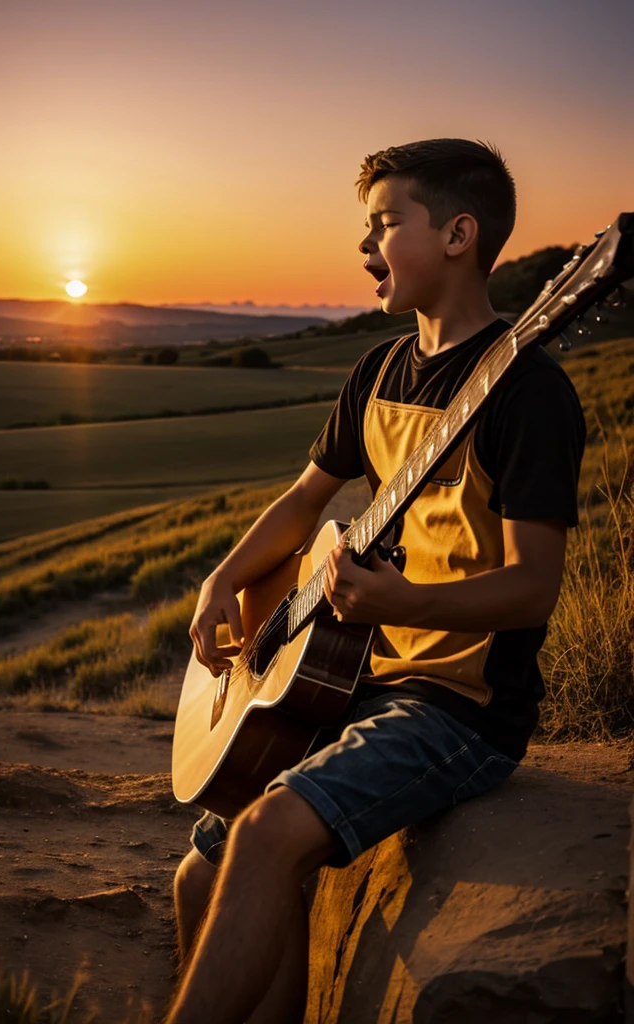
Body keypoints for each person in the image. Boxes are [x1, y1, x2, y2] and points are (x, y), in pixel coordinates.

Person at [164, 138, 586, 1024]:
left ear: (460, 234)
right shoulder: (380, 369)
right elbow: (304, 500)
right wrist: (222, 579)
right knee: (201, 871)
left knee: (270, 832)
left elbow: (533, 589)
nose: (365, 248)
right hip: (356, 685)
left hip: (459, 708)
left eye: (386, 224)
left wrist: (404, 603)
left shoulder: (529, 393)